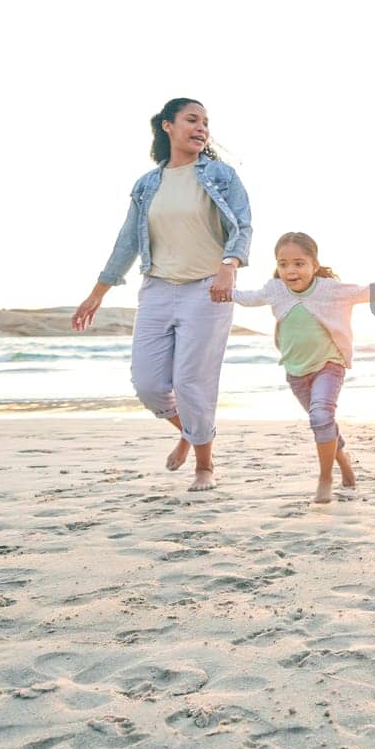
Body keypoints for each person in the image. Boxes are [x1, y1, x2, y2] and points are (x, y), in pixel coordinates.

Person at [72, 98, 252, 491]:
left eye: (205, 122)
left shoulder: (222, 175)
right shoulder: (147, 184)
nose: (201, 127)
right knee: (149, 386)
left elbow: (242, 227)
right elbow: (126, 242)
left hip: (207, 290)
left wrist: (229, 266)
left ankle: (204, 464)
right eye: (192, 120)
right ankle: (190, 430)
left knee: (191, 383)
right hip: (156, 289)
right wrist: (97, 293)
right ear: (168, 126)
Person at [233, 232, 375, 504]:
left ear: (314, 264)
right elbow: (248, 297)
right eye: (283, 263)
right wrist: (221, 288)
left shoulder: (328, 289)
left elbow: (367, 292)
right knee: (323, 423)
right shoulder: (275, 289)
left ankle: (325, 479)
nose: (290, 270)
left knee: (320, 416)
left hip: (329, 365)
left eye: (299, 263)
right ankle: (344, 461)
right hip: (295, 371)